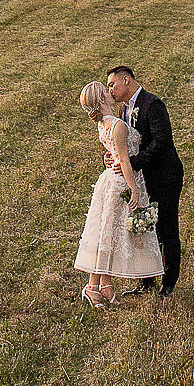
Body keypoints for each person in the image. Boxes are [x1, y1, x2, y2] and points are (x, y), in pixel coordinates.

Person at [72, 79, 164, 308]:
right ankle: (93, 287)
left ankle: (104, 285)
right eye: (106, 90)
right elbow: (124, 159)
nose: (110, 91)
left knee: (107, 234)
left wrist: (110, 158)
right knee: (108, 235)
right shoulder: (118, 125)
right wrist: (134, 189)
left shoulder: (104, 124)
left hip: (109, 181)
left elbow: (114, 152)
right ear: (102, 99)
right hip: (121, 182)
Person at [106, 65, 184, 297]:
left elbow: (161, 142)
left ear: (126, 80)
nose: (110, 90)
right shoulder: (124, 111)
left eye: (112, 84)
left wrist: (132, 163)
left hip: (164, 176)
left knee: (166, 228)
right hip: (142, 179)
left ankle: (168, 285)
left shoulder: (153, 105)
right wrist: (115, 156)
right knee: (143, 228)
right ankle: (145, 282)